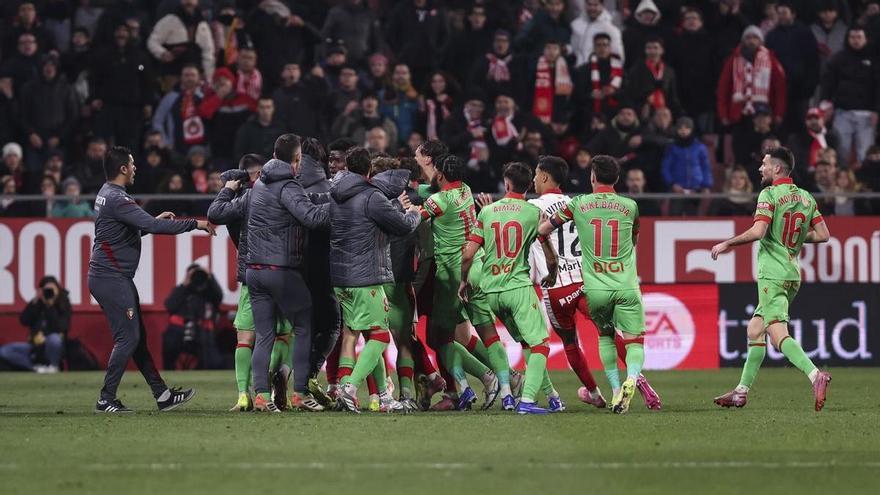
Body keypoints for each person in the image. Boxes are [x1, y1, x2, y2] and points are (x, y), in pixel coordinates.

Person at [89, 145, 214, 413]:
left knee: (136, 338)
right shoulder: (118, 199)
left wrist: (149, 221)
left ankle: (162, 395)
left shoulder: (106, 194)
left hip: (111, 277)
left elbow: (123, 234)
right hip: (111, 278)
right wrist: (196, 223)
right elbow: (155, 228)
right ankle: (105, 398)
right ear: (123, 169)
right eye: (132, 164)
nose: (136, 168)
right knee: (128, 339)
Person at [711, 147, 832, 411]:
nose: (760, 168)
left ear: (777, 169)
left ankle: (815, 375)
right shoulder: (807, 198)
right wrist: (798, 238)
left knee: (778, 334)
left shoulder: (769, 194)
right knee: (755, 329)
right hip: (791, 273)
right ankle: (741, 391)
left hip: (772, 275)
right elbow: (823, 235)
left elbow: (758, 231)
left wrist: (727, 244)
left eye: (764, 164)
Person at [538, 155, 647, 414]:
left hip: (595, 288)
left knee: (606, 337)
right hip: (626, 285)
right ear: (618, 179)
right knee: (634, 341)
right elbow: (634, 239)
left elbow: (544, 229)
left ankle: (615, 390)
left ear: (592, 178)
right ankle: (632, 379)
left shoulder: (579, 204)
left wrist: (550, 255)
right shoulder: (630, 206)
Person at [461, 162, 559, 414]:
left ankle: (552, 396)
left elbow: (468, 254)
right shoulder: (533, 212)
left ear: (506, 184)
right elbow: (549, 256)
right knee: (540, 346)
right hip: (518, 287)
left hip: (491, 292)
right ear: (529, 185)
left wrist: (463, 281)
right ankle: (526, 401)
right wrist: (552, 272)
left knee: (528, 343)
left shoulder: (487, 212)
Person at [329, 147, 421, 413]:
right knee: (380, 337)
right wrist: (412, 213)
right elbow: (402, 226)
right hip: (366, 276)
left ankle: (383, 396)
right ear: (368, 170)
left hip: (341, 277)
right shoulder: (372, 196)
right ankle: (349, 388)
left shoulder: (335, 194)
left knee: (359, 334)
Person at [416, 151, 508, 411]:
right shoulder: (465, 190)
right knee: (488, 332)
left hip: (451, 274)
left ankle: (483, 382)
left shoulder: (439, 200)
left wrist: (405, 209)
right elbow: (429, 191)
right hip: (475, 266)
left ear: (441, 175)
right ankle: (507, 382)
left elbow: (415, 218)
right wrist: (418, 186)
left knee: (438, 339)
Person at [245, 134, 330, 412]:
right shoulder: (288, 185)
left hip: (254, 271)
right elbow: (313, 217)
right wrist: (344, 206)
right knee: (305, 325)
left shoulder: (259, 183)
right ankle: (300, 393)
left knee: (264, 334)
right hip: (280, 269)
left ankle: (260, 396)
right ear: (297, 159)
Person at [208, 154, 299, 411]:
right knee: (284, 334)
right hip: (282, 272)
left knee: (246, 336)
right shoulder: (282, 194)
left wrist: (227, 189)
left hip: (252, 273)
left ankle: (242, 395)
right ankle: (275, 378)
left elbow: (215, 213)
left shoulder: (242, 200)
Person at [525, 156, 608, 408]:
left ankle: (594, 393)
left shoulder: (531, 208)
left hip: (555, 287)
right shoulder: (578, 204)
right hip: (586, 283)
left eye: (537, 175)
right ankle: (638, 383)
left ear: (546, 177)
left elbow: (530, 248)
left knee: (570, 342)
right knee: (609, 333)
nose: (534, 180)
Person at [819, 27, 879, 165]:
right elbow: (828, 84)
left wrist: (877, 111)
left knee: (864, 153)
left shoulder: (874, 59)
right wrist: (825, 104)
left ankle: (865, 183)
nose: (856, 41)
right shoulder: (838, 58)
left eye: (859, 37)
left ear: (865, 39)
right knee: (841, 152)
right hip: (842, 112)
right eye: (853, 37)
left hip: (866, 114)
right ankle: (841, 182)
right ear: (848, 38)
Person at [716, 25, 787, 130]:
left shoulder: (771, 60)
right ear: (743, 40)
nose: (751, 41)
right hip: (739, 114)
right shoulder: (733, 60)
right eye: (748, 38)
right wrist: (723, 114)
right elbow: (723, 88)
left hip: (764, 113)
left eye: (755, 38)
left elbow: (780, 89)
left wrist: (779, 113)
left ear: (761, 41)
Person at [0, 276, 70, 373]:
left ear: (57, 290)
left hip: (51, 347)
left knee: (55, 339)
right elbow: (24, 320)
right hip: (34, 346)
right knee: (5, 351)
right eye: (46, 290)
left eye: (52, 289)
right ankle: (35, 368)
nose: (49, 292)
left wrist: (50, 305)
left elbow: (61, 327)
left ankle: (53, 367)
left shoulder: (63, 303)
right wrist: (35, 301)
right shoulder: (37, 303)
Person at [161, 264, 223, 370]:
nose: (196, 278)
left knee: (214, 362)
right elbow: (170, 305)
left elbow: (219, 296)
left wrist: (210, 276)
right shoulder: (182, 290)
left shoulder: (208, 292)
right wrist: (184, 284)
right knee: (170, 341)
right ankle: (168, 372)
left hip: (203, 331)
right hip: (179, 330)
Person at [147, 0, 215, 89]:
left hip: (196, 74)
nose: (189, 1)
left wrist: (209, 77)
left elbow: (208, 53)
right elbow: (152, 41)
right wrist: (162, 53)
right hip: (173, 73)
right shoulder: (169, 20)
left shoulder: (203, 24)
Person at [662, 117, 712, 215]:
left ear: (691, 130)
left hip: (696, 189)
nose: (683, 131)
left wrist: (706, 185)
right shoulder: (671, 148)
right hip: (677, 190)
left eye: (686, 128)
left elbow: (705, 167)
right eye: (680, 128)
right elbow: (666, 168)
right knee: (674, 218)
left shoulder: (700, 147)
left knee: (694, 219)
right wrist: (672, 184)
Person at [624, 37, 681, 119]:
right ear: (645, 50)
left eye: (655, 48)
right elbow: (631, 93)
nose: (652, 51)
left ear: (662, 50)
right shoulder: (636, 69)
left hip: (664, 113)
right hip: (643, 111)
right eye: (649, 48)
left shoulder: (669, 71)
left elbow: (672, 95)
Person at [570, 0, 624, 67]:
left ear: (602, 6)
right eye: (589, 4)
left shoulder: (611, 29)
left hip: (601, 72)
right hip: (579, 71)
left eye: (595, 5)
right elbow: (573, 50)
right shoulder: (576, 25)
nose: (592, 8)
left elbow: (617, 55)